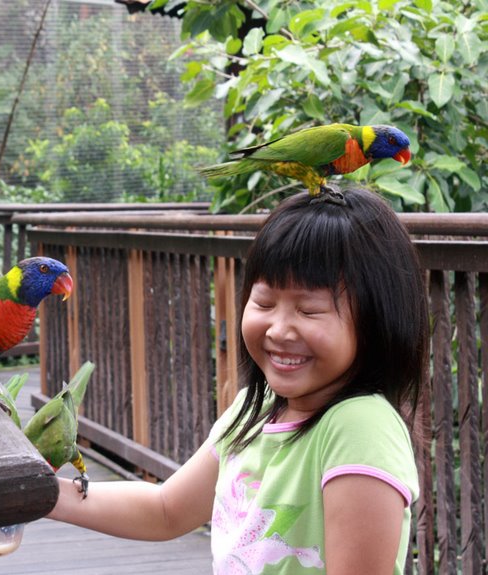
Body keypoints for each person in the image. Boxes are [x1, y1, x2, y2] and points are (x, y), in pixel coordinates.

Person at [47, 187, 428, 575]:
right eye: (264, 303)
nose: (278, 329)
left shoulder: (360, 427)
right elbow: (165, 509)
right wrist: (44, 495)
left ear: (376, 320)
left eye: (309, 310)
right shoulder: (256, 410)